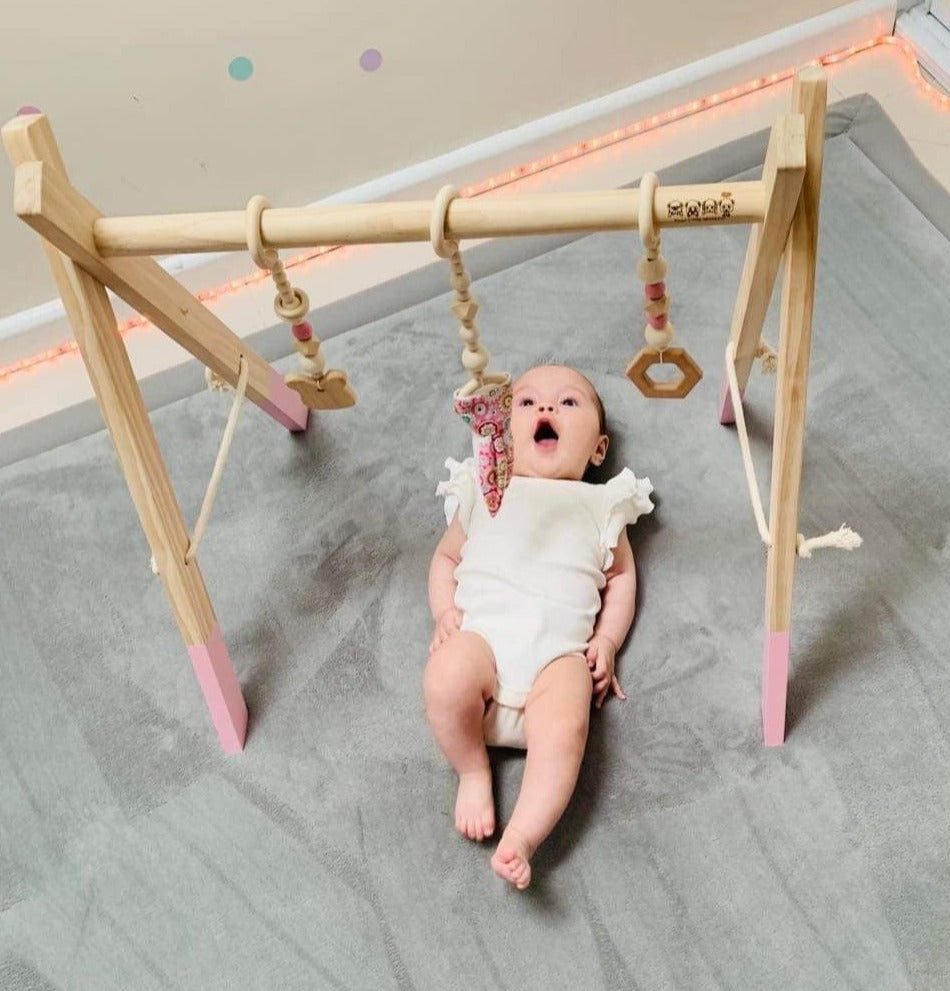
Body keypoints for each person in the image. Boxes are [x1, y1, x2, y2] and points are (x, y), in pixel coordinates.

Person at [424, 364, 653, 889]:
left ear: (598, 450)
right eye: (525, 403)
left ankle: (524, 835)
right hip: (481, 646)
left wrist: (607, 641)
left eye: (568, 404)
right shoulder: (484, 492)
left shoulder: (600, 504)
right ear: (502, 435)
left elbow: (621, 580)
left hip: (557, 661)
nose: (546, 410)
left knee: (569, 726)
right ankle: (473, 770)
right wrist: (445, 614)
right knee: (444, 675)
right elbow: (444, 560)